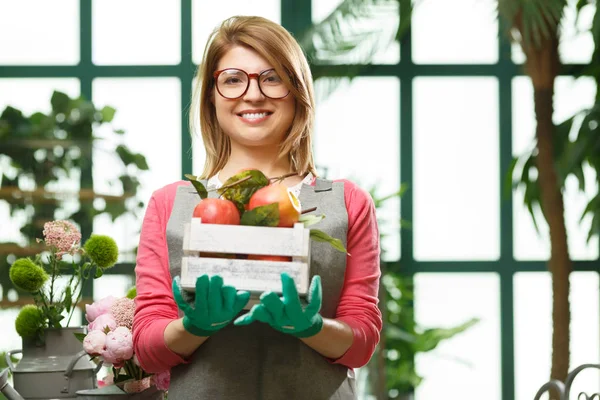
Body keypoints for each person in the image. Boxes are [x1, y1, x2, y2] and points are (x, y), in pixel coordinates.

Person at [132, 15, 382, 399]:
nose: (253, 94)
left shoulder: (347, 203)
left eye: (272, 77)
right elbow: (148, 349)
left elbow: (362, 341)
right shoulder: (169, 204)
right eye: (233, 79)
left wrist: (311, 327)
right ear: (211, 95)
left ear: (296, 91)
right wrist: (195, 326)